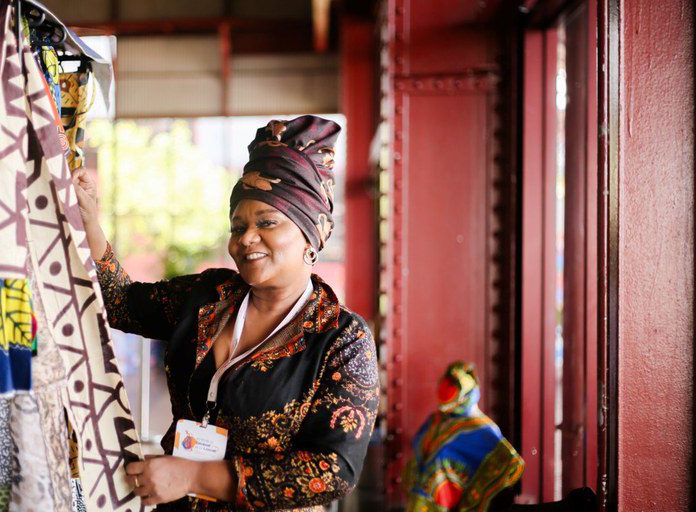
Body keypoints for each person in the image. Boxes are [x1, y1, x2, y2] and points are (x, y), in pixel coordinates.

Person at [73, 115, 380, 511]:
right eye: (237, 227)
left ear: (311, 235)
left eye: (266, 222)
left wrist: (194, 477)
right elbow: (120, 304)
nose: (246, 238)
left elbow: (334, 470)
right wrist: (89, 221)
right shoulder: (208, 296)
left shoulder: (341, 338)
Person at [403, 361, 524, 512]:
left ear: (465, 396)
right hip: (426, 493)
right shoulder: (436, 420)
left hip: (449, 496)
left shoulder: (482, 428)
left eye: (451, 392)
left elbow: (504, 459)